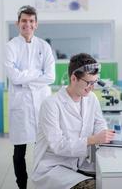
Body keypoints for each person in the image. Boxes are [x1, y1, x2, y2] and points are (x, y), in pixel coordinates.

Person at [32, 53, 115, 189]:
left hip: (79, 163)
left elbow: (99, 122)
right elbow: (58, 145)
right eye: (88, 83)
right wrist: (93, 140)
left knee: (111, 181)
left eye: (94, 82)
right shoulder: (51, 104)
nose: (92, 87)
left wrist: (103, 135)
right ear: (73, 78)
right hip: (54, 167)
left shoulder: (91, 98)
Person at [4, 5, 55, 189]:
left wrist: (25, 77)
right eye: (24, 20)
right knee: (19, 151)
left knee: (45, 148)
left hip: (41, 103)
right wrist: (36, 74)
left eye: (31, 21)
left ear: (36, 24)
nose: (28, 24)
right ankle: (22, 186)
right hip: (21, 106)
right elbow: (14, 77)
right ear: (18, 23)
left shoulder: (44, 46)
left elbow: (50, 76)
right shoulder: (11, 47)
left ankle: (43, 182)